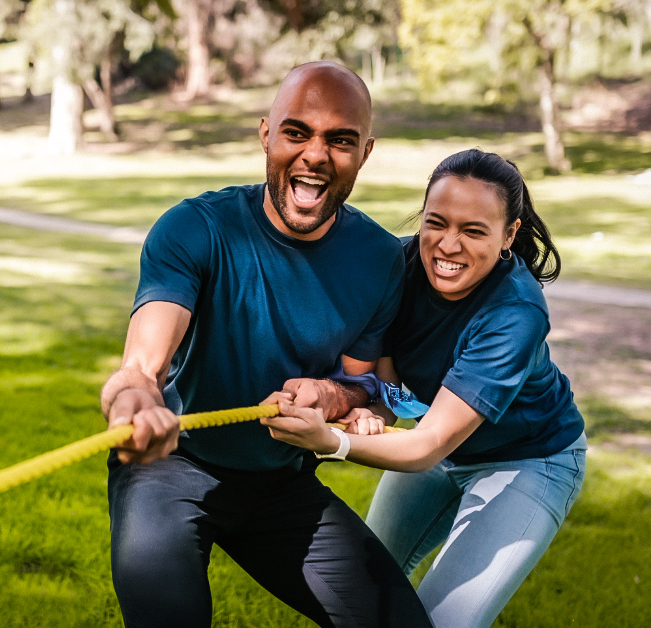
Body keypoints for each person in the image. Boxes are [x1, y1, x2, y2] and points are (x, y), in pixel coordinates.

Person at [100, 61, 432, 628]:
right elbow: (141, 362)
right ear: (265, 134)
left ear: (366, 153)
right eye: (296, 132)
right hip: (170, 467)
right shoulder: (196, 228)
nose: (315, 155)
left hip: (280, 485)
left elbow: (360, 384)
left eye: (340, 140)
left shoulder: (381, 260)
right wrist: (135, 396)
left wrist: (331, 397)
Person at [262, 148, 587, 628]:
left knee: (443, 622)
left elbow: (429, 444)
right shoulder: (398, 266)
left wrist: (332, 442)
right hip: (439, 444)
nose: (447, 246)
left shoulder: (515, 313)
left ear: (509, 235)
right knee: (363, 594)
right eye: (436, 223)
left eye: (474, 230)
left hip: (528, 460)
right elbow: (392, 389)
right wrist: (371, 410)